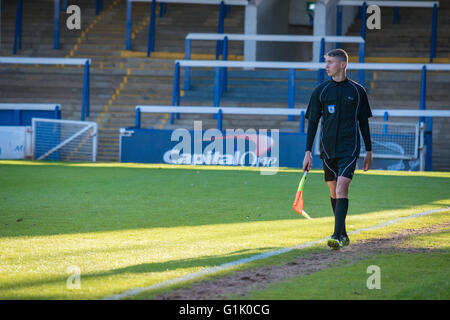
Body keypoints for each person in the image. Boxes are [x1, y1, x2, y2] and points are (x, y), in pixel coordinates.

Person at [303, 49, 373, 250]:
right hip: (328, 150)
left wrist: (369, 151)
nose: (326, 66)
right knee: (334, 192)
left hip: (350, 149)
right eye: (326, 62)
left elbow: (363, 123)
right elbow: (313, 123)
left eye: (330, 62)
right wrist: (308, 152)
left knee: (342, 187)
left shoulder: (358, 91)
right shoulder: (321, 91)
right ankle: (343, 233)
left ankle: (335, 235)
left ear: (343, 64)